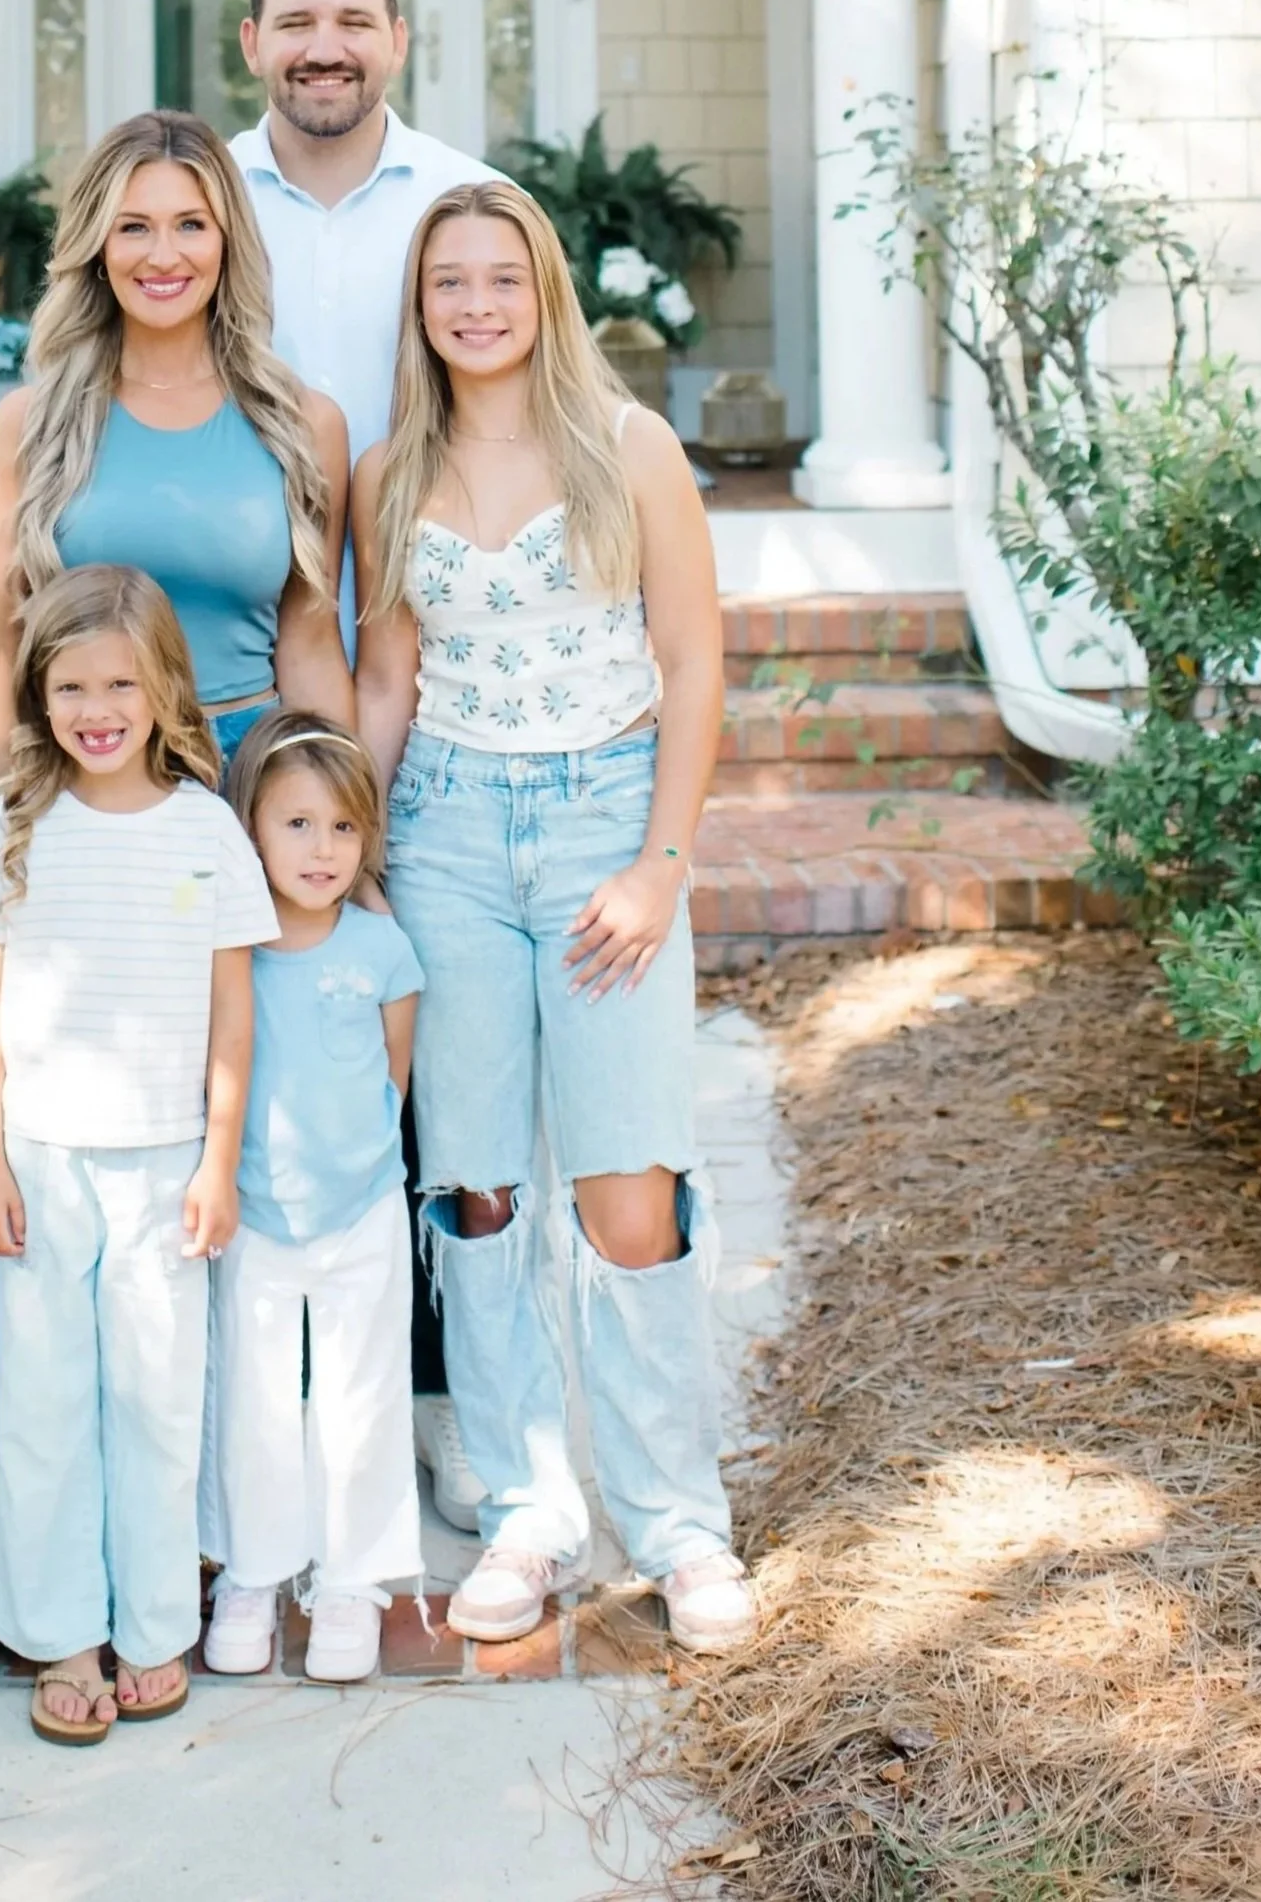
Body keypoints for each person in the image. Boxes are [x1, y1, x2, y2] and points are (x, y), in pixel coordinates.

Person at [0, 110, 350, 1704]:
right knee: (16, 1201)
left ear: (231, 240)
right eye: (135, 226)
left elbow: (308, 644)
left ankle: (204, 1550)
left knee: (224, 1188)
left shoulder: (301, 418)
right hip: (73, 806)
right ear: (95, 243)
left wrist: (324, 815)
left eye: (193, 223)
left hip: (232, 808)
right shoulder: (42, 420)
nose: (164, 253)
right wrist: (5, 809)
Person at [352, 180, 757, 1657]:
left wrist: (660, 861)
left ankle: (676, 1519)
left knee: (625, 1191)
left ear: (543, 293)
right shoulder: (388, 466)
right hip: (446, 832)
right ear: (422, 304)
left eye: (499, 278)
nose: (474, 303)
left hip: (601, 822)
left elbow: (692, 658)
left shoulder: (628, 448)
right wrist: (367, 853)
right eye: (446, 281)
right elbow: (386, 677)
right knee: (472, 1185)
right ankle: (527, 1504)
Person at [229, 0, 496, 1532]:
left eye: (352, 19)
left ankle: (432, 1399)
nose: (323, 45)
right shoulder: (200, 207)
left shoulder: (460, 203)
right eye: (294, 21)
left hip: (432, 674)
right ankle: (262, 1390)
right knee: (260, 1033)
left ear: (396, 34)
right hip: (244, 679)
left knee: (428, 1053)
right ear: (249, 37)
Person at [0, 564, 278, 1744]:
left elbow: (230, 1010)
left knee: (150, 1397)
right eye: (70, 684)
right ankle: (60, 1634)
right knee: (44, 1402)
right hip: (42, 1158)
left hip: (161, 1163)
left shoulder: (204, 829)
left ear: (162, 691)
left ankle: (150, 1625)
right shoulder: (16, 829)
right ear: (40, 697)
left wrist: (217, 1159)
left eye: (119, 684)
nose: (96, 707)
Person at [201, 712, 426, 1685]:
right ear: (247, 827)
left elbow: (393, 1076)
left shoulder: (381, 951)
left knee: (358, 1396)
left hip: (360, 1206)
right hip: (250, 1208)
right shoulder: (229, 951)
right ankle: (251, 1569)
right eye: (294, 824)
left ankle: (350, 1578)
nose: (321, 848)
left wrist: (362, 1176)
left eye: (341, 826)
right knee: (249, 1393)